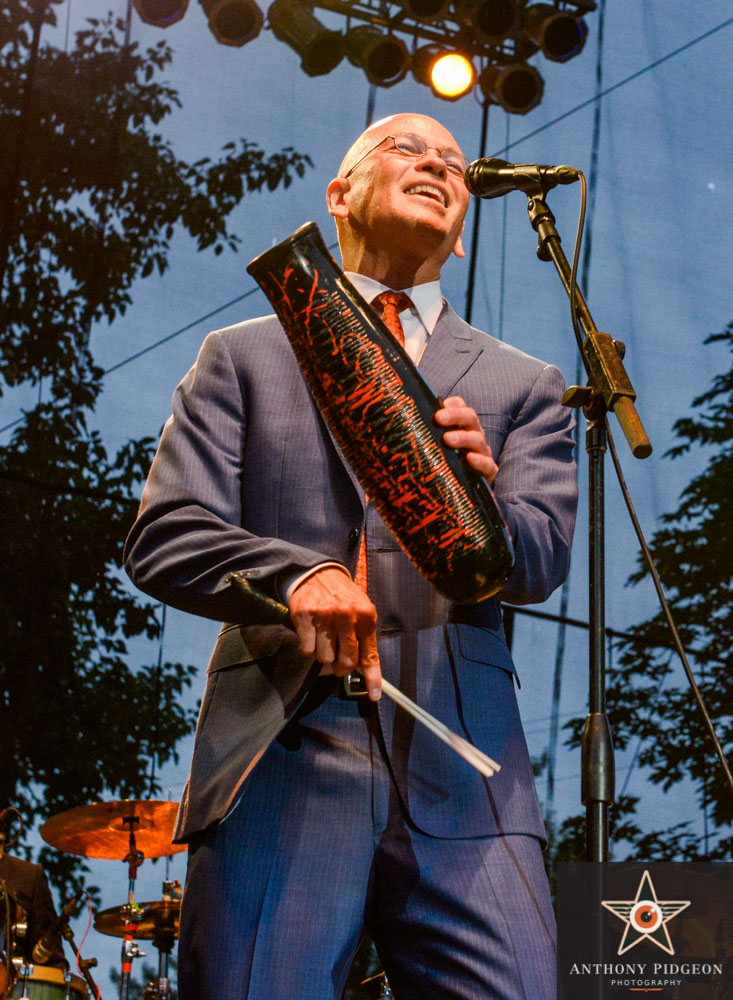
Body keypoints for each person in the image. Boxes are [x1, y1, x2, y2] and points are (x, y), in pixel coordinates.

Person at [124, 112, 578, 1000]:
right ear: (341, 194)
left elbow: (541, 557)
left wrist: (477, 509)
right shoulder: (243, 356)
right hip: (282, 751)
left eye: (455, 164)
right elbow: (165, 531)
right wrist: (296, 574)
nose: (440, 168)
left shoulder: (523, 385)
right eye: (409, 150)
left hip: (468, 768)